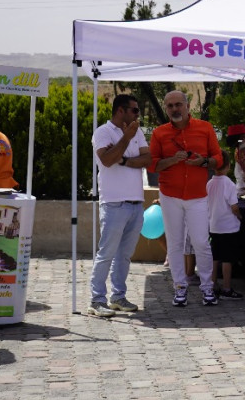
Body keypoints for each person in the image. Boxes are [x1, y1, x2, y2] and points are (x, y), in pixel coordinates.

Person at [149, 90, 222, 307]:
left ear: (187, 106)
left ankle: (207, 288)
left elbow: (218, 159)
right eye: (170, 106)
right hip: (170, 196)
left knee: (201, 242)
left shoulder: (205, 128)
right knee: (175, 243)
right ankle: (180, 288)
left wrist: (203, 162)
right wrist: (172, 160)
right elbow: (152, 164)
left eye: (178, 104)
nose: (175, 109)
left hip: (197, 196)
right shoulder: (159, 133)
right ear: (166, 109)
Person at [87, 93, 151, 318]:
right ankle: (96, 300)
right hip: (114, 203)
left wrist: (124, 160)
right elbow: (106, 160)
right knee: (106, 253)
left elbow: (147, 159)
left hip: (136, 203)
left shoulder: (137, 132)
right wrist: (126, 138)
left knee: (124, 255)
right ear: (121, 110)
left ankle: (118, 297)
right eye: (134, 110)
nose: (137, 115)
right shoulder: (103, 132)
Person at [207, 163, 243, 300]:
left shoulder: (209, 183)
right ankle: (227, 288)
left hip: (213, 225)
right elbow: (234, 206)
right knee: (227, 258)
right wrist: (239, 216)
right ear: (228, 166)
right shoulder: (229, 184)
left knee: (215, 257)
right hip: (228, 226)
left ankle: (213, 284)